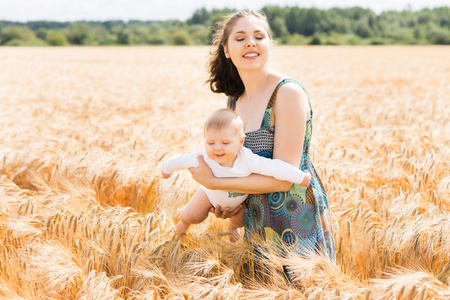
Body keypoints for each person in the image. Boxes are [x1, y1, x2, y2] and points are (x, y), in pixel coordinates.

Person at [188, 9, 336, 263]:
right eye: (240, 37)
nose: (250, 42)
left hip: (296, 219)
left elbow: (283, 178)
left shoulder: (287, 93)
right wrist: (230, 204)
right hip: (256, 221)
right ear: (226, 49)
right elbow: (239, 166)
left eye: (259, 36)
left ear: (270, 44)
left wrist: (216, 183)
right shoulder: (234, 100)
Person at [161, 108, 311, 241]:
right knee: (193, 215)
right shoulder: (203, 158)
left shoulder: (246, 159)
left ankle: (232, 227)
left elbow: (273, 167)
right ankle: (184, 224)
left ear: (240, 142)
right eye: (211, 143)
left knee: (242, 218)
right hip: (208, 195)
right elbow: (182, 159)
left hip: (239, 201)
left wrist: (299, 177)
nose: (217, 148)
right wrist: (166, 168)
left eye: (225, 143)